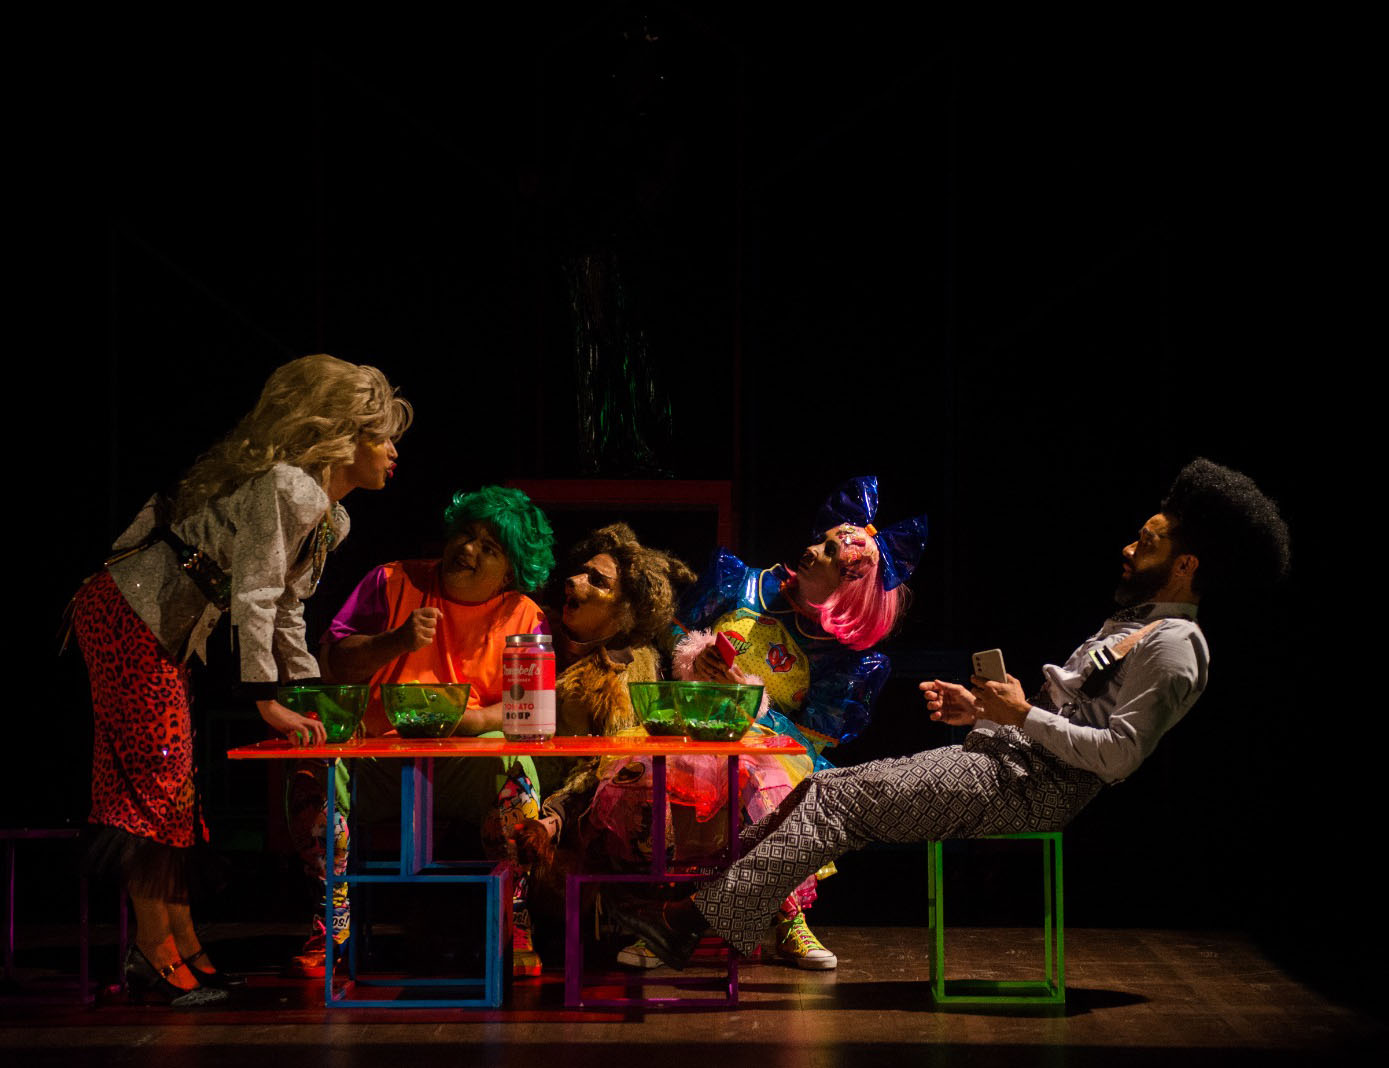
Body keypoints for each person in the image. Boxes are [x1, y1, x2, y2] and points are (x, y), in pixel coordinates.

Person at [609, 459, 1291, 970]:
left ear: (1185, 565)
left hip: (1034, 787)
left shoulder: (1177, 646)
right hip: (1005, 763)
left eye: (1147, 542)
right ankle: (696, 915)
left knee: (835, 802)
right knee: (820, 790)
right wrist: (981, 713)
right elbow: (1061, 715)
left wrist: (1019, 718)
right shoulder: (1137, 624)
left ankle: (686, 921)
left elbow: (1118, 755)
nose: (1128, 548)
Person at [68, 354, 412, 1006]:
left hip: (162, 626)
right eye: (383, 437)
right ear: (345, 437)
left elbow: (287, 608)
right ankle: (154, 952)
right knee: (156, 781)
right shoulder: (287, 486)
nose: (394, 452)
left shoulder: (332, 518)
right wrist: (267, 702)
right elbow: (254, 594)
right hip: (129, 612)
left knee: (172, 784)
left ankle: (182, 944)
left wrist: (308, 694)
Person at [594, 476, 928, 969]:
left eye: (828, 554)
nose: (811, 550)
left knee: (777, 789)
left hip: (768, 750)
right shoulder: (741, 583)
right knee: (657, 788)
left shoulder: (845, 660)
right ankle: (661, 925)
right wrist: (698, 656)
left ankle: (789, 917)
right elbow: (669, 636)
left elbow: (811, 742)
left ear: (848, 590)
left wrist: (750, 701)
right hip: (690, 730)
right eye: (822, 540)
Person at [286, 485, 555, 977]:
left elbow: (534, 706)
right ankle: (331, 918)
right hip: (376, 760)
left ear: (510, 571)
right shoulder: (391, 581)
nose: (468, 549)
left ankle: (514, 915)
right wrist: (396, 641)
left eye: (489, 547)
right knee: (315, 765)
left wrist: (478, 720)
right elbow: (332, 666)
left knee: (513, 765)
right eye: (466, 534)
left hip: (463, 767)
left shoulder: (523, 615)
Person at [509, 523, 695, 965]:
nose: (574, 581)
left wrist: (553, 818)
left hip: (580, 817)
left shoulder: (624, 671)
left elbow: (612, 768)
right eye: (581, 572)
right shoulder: (537, 635)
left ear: (626, 610)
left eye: (597, 581)